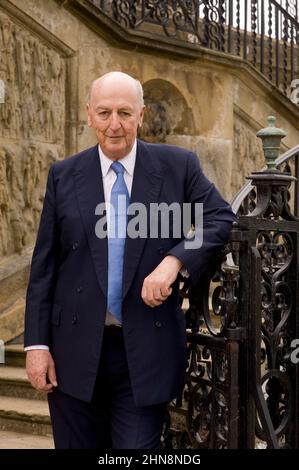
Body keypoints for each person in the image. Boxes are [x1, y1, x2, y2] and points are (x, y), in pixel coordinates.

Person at [24, 71, 236, 449]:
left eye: (125, 112)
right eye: (104, 113)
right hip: (72, 352)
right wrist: (36, 346)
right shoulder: (63, 174)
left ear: (141, 115)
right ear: (89, 115)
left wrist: (175, 261)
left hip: (145, 351)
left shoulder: (177, 166)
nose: (114, 124)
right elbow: (45, 267)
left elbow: (220, 216)